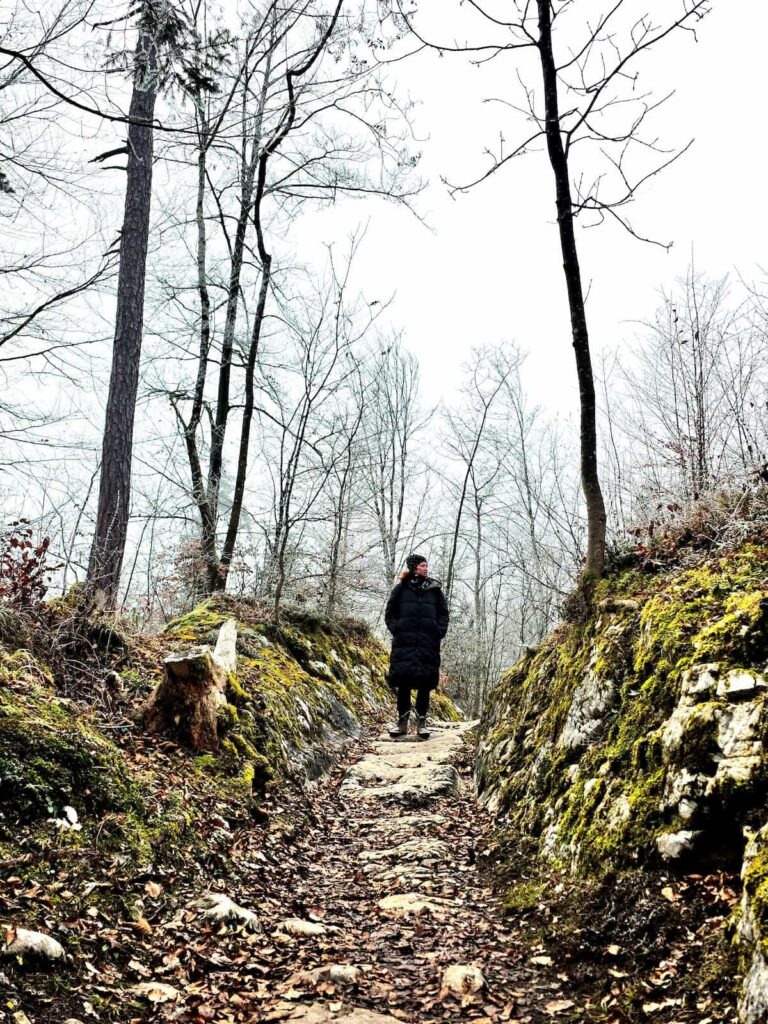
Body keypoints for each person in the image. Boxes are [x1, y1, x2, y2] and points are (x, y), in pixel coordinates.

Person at [384, 553, 449, 740]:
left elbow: (444, 614)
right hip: (404, 643)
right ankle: (402, 723)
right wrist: (397, 629)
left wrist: (438, 631)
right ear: (413, 567)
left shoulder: (434, 590)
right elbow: (390, 613)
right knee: (403, 682)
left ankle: (421, 723)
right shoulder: (401, 589)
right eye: (422, 565)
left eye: (426, 565)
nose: (425, 568)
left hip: (428, 643)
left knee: (424, 683)